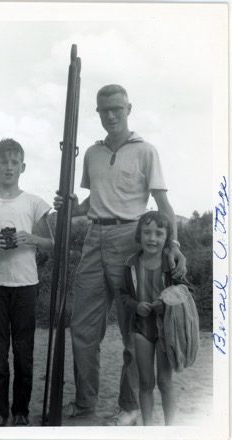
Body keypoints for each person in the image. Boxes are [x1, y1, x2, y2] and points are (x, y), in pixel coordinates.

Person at [53, 84, 186, 426]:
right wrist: (68, 208)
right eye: (103, 110)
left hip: (130, 238)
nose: (110, 115)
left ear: (129, 109)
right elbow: (90, 203)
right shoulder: (93, 153)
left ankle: (128, 408)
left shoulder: (146, 151)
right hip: (93, 237)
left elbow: (163, 204)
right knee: (82, 328)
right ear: (97, 113)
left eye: (116, 108)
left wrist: (173, 245)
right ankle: (85, 404)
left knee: (135, 329)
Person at [0, 138, 54, 427]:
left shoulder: (35, 203)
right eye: (3, 162)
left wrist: (32, 239)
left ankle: (21, 411)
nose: (9, 167)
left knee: (24, 352)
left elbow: (51, 244)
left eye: (14, 162)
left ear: (23, 167)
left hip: (26, 285)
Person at [120, 211, 191, 426]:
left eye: (159, 233)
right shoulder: (131, 263)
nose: (152, 238)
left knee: (164, 381)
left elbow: (186, 290)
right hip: (142, 329)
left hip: (165, 329)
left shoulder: (170, 263)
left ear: (167, 238)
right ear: (139, 235)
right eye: (147, 232)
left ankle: (170, 428)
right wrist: (135, 306)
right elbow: (123, 295)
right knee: (145, 381)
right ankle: (148, 428)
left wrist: (167, 302)